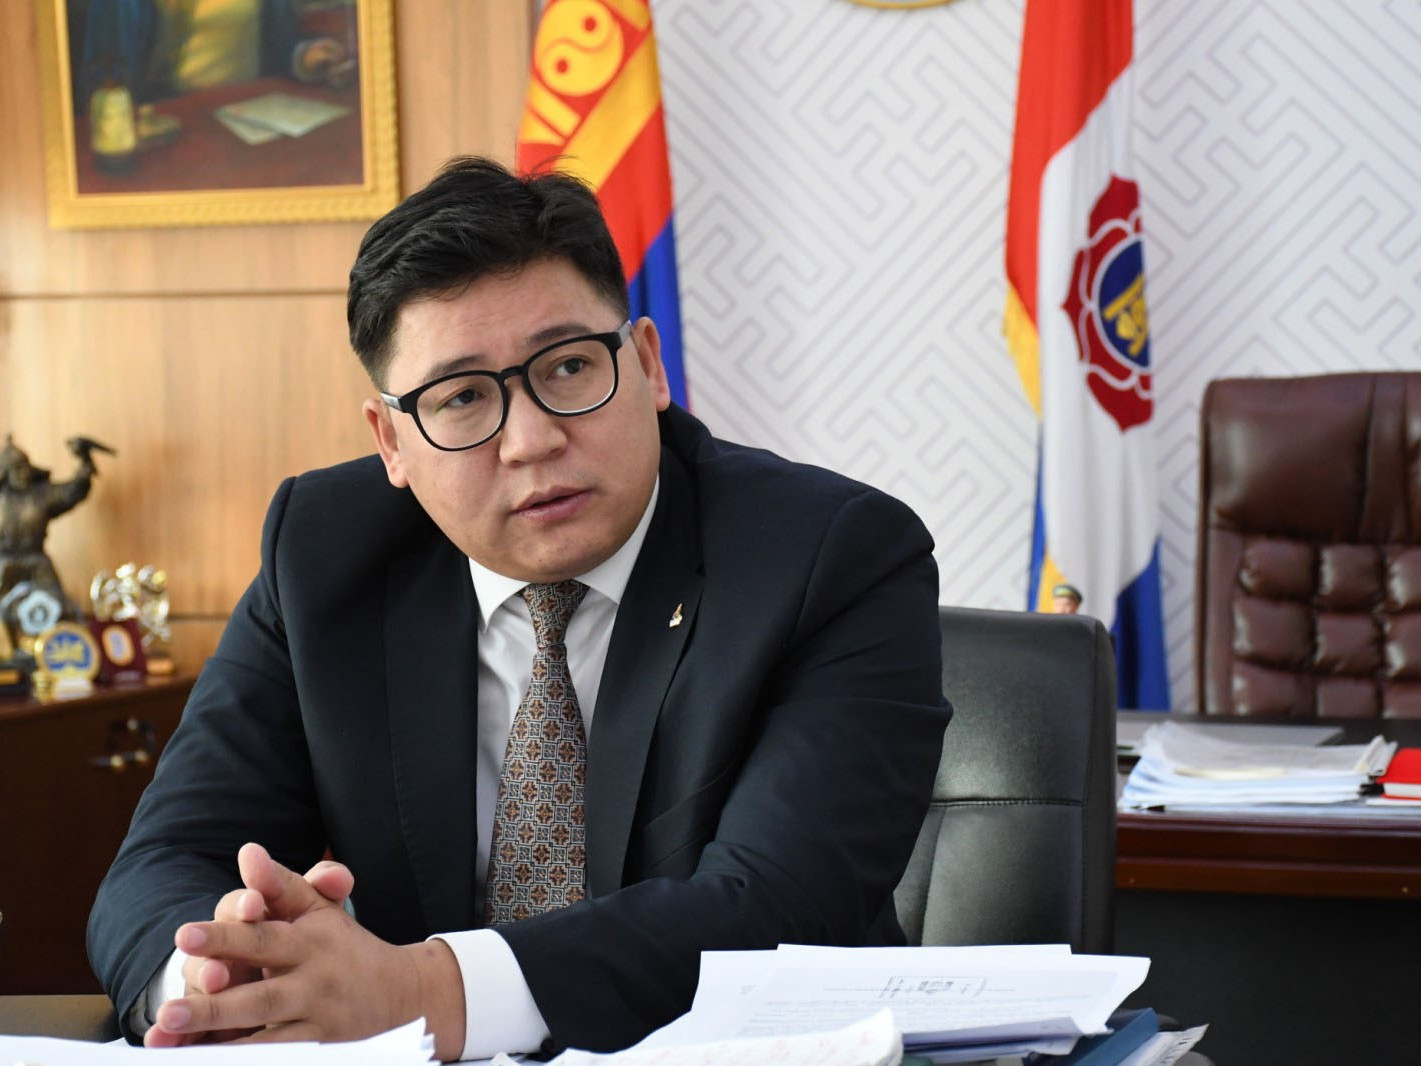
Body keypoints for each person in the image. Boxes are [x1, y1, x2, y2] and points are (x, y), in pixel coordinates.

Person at [87, 156, 952, 1060]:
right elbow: (165, 861)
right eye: (463, 398)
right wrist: (222, 981)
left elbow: (777, 908)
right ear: (390, 441)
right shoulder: (322, 552)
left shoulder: (829, 556)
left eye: (569, 366)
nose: (532, 440)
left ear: (647, 365)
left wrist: (423, 993)